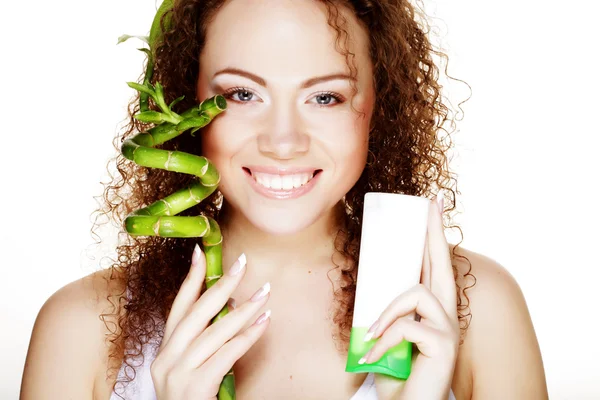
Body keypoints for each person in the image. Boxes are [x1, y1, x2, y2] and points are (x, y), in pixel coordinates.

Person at [20, 0, 548, 399]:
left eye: (325, 97)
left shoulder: (477, 308)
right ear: (186, 101)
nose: (283, 140)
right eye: (242, 95)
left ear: (378, 106)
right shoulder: (83, 328)